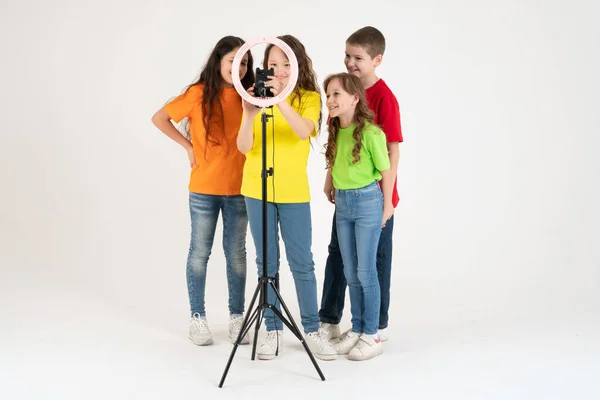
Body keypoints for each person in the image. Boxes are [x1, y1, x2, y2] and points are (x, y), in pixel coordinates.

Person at [237, 35, 337, 361]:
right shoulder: (254, 98)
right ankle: (272, 330)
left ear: (296, 66)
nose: (278, 71)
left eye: (284, 65)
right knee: (266, 263)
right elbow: (242, 146)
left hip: (293, 191)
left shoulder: (307, 97)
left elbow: (304, 130)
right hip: (256, 189)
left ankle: (311, 330)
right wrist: (250, 113)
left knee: (302, 263)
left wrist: (278, 99)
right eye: (272, 65)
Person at [151, 36, 254, 346]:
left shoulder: (250, 96)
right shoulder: (198, 94)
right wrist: (187, 146)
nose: (239, 67)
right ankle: (198, 317)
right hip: (204, 189)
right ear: (218, 62)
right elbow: (160, 118)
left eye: (245, 62)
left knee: (236, 255)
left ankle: (237, 317)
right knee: (199, 253)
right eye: (232, 61)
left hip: (239, 188)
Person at [319, 27, 403, 343]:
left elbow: (392, 149)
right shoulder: (339, 90)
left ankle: (373, 327)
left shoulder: (384, 98)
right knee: (339, 252)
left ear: (377, 60)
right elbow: (335, 143)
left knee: (374, 260)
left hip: (374, 193)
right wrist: (330, 178)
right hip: (345, 191)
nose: (351, 62)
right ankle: (331, 318)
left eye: (359, 58)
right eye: (348, 56)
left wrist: (388, 197)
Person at [323, 72, 393, 360]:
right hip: (343, 204)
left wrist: (387, 205)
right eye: (328, 95)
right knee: (351, 272)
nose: (330, 100)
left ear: (355, 98)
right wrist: (330, 183)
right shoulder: (336, 130)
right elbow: (334, 162)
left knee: (366, 272)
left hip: (367, 202)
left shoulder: (371, 133)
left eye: (336, 94)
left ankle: (372, 334)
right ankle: (358, 327)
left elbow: (386, 171)